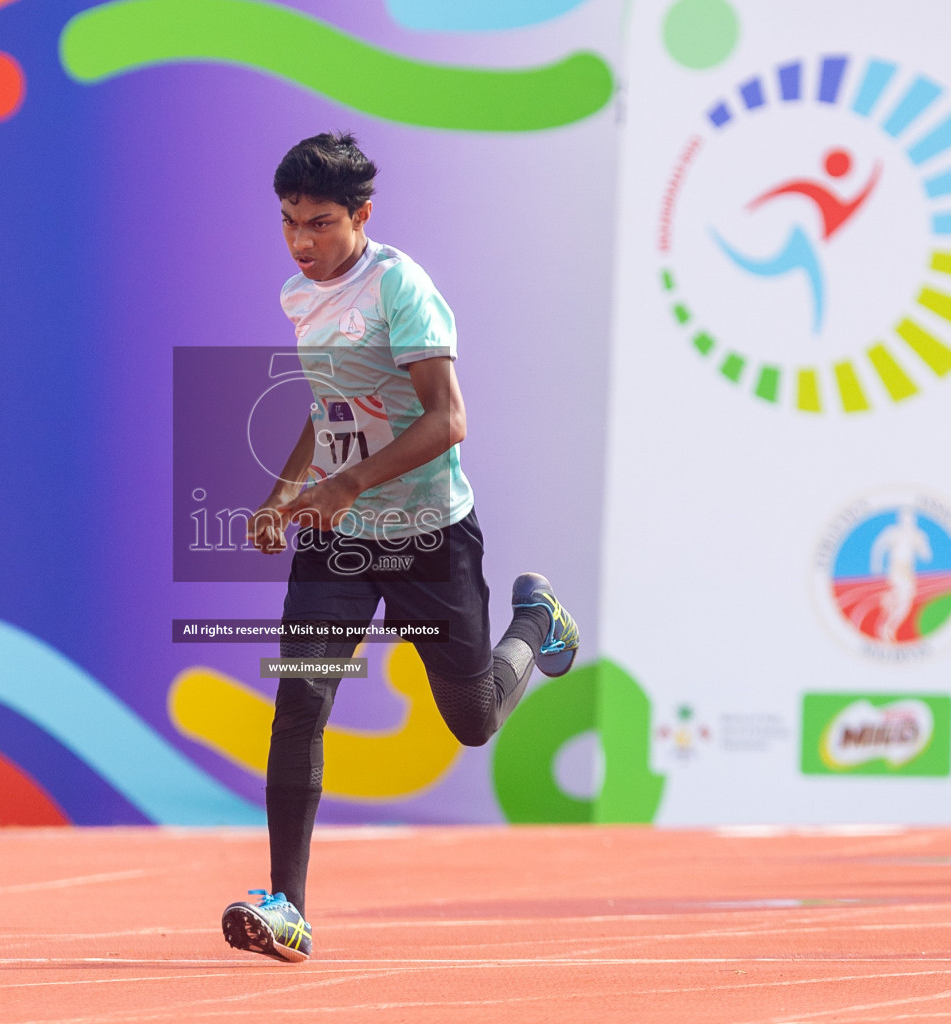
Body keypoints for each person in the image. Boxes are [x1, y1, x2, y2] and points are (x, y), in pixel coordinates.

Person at [219, 132, 579, 963]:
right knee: (301, 698)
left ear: (362, 215)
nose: (300, 242)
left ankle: (537, 627)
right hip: (338, 540)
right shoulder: (298, 295)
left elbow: (447, 420)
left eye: (318, 223)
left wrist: (346, 484)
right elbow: (331, 405)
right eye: (286, 223)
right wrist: (284, 493)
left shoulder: (400, 288)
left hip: (427, 537)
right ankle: (287, 908)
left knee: (473, 720)